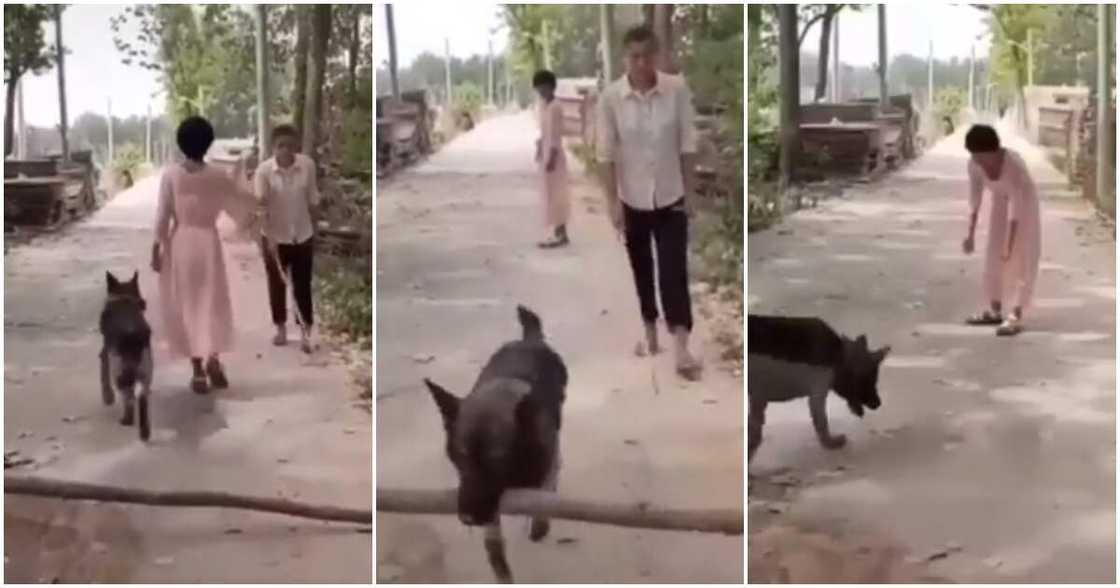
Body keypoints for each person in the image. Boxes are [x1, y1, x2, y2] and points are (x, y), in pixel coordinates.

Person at [596, 24, 702, 380]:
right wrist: (612, 202)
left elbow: (687, 144)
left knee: (674, 271)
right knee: (642, 268)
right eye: (634, 57)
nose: (641, 64)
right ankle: (650, 333)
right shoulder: (611, 98)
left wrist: (690, 192)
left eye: (647, 55)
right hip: (633, 198)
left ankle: (682, 348)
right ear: (626, 58)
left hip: (671, 195)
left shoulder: (676, 90)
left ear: (656, 55)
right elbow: (605, 153)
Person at [151, 116, 259, 394]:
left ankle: (198, 370)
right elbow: (243, 203)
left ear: (181, 143)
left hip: (181, 243)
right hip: (208, 242)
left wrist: (158, 248)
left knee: (188, 305)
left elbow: (162, 217)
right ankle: (214, 359)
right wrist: (263, 207)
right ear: (208, 142)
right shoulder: (216, 177)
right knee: (212, 303)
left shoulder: (171, 175)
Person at [962, 124, 1042, 336]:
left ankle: (1016, 314)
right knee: (993, 253)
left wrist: (1010, 243)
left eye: (982, 157)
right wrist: (970, 235)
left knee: (1022, 254)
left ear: (995, 152)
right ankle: (995, 308)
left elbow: (1017, 206)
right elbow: (975, 198)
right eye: (974, 156)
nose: (979, 162)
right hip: (999, 198)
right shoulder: (974, 165)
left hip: (1024, 200)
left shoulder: (1013, 165)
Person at [254, 124, 321, 352]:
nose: (285, 150)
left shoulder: (307, 166)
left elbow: (313, 198)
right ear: (273, 148)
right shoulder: (263, 172)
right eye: (280, 146)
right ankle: (280, 328)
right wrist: (270, 237)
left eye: (290, 145)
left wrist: (316, 228)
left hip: (303, 234)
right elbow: (261, 207)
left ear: (296, 146)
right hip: (275, 237)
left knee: (303, 284)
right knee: (277, 284)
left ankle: (305, 330)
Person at [532, 69, 571, 248]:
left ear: (550, 87)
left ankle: (561, 233)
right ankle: (557, 231)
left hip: (554, 155)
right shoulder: (543, 105)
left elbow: (556, 134)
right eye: (538, 87)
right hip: (545, 152)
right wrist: (539, 149)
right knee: (549, 193)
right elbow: (544, 132)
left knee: (558, 194)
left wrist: (552, 157)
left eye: (543, 87)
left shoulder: (556, 106)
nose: (540, 91)